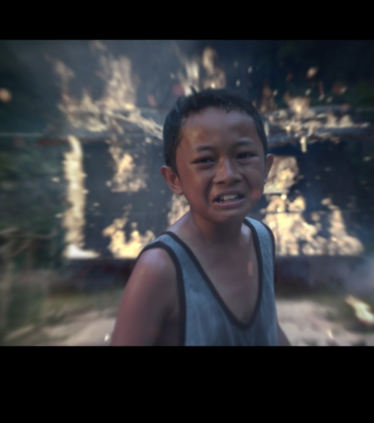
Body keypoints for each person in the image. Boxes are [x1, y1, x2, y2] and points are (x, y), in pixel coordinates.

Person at [111, 88, 291, 346]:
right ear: (174, 179)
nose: (228, 175)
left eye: (243, 155)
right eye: (205, 160)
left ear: (266, 167)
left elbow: (268, 327)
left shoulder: (262, 239)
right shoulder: (160, 269)